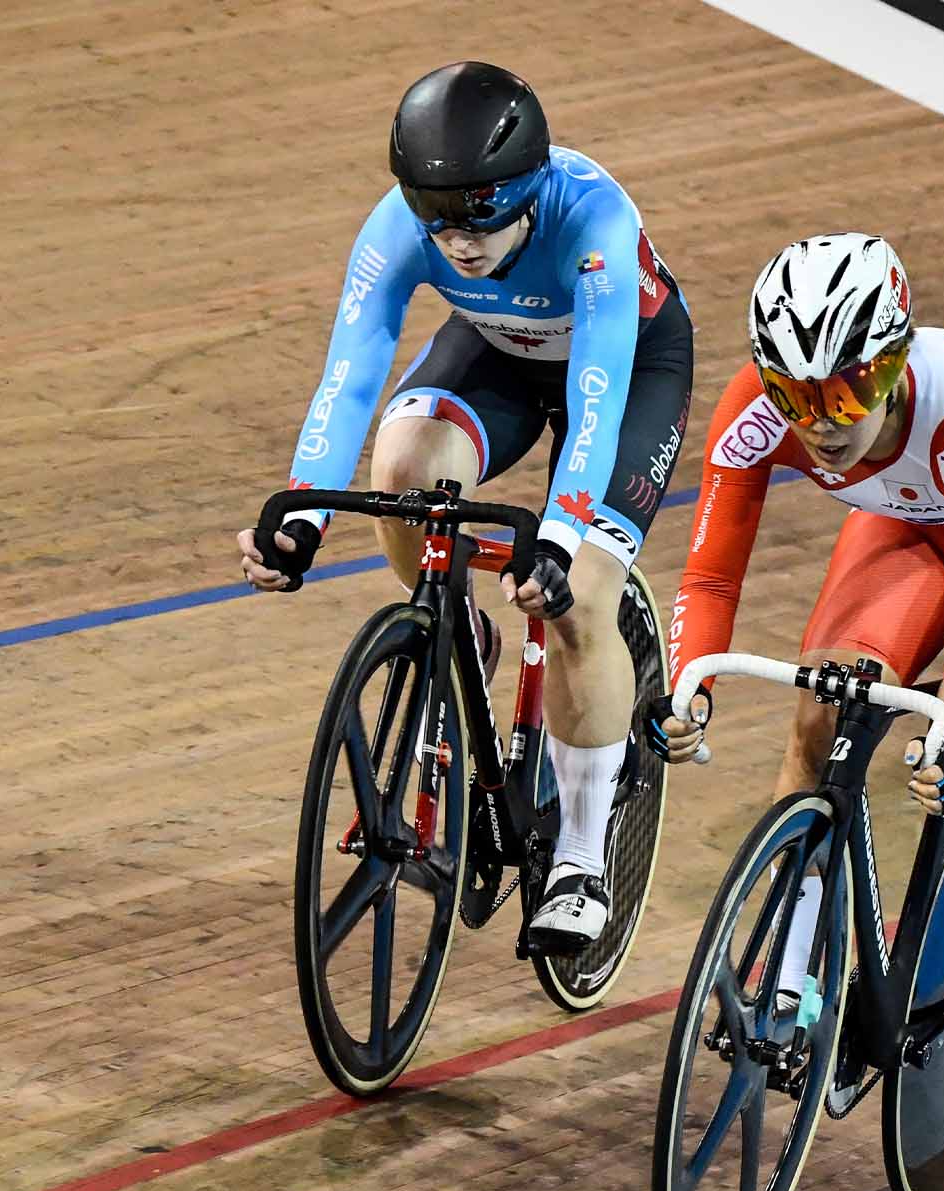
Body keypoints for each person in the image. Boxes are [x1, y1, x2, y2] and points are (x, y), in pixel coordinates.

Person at [235, 62, 693, 952]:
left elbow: (596, 394)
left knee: (585, 596)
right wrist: (302, 520)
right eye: (434, 213)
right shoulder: (399, 228)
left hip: (628, 370)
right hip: (501, 353)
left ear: (527, 186)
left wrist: (561, 538)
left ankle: (581, 858)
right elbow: (353, 368)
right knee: (404, 461)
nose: (457, 237)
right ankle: (462, 632)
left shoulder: (594, 217)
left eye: (479, 210)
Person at [654, 234, 944, 1048]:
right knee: (817, 716)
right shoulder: (756, 412)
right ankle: (788, 975)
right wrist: (692, 684)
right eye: (797, 399)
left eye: (847, 394)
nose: (822, 426)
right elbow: (710, 581)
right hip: (918, 513)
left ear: (896, 365)